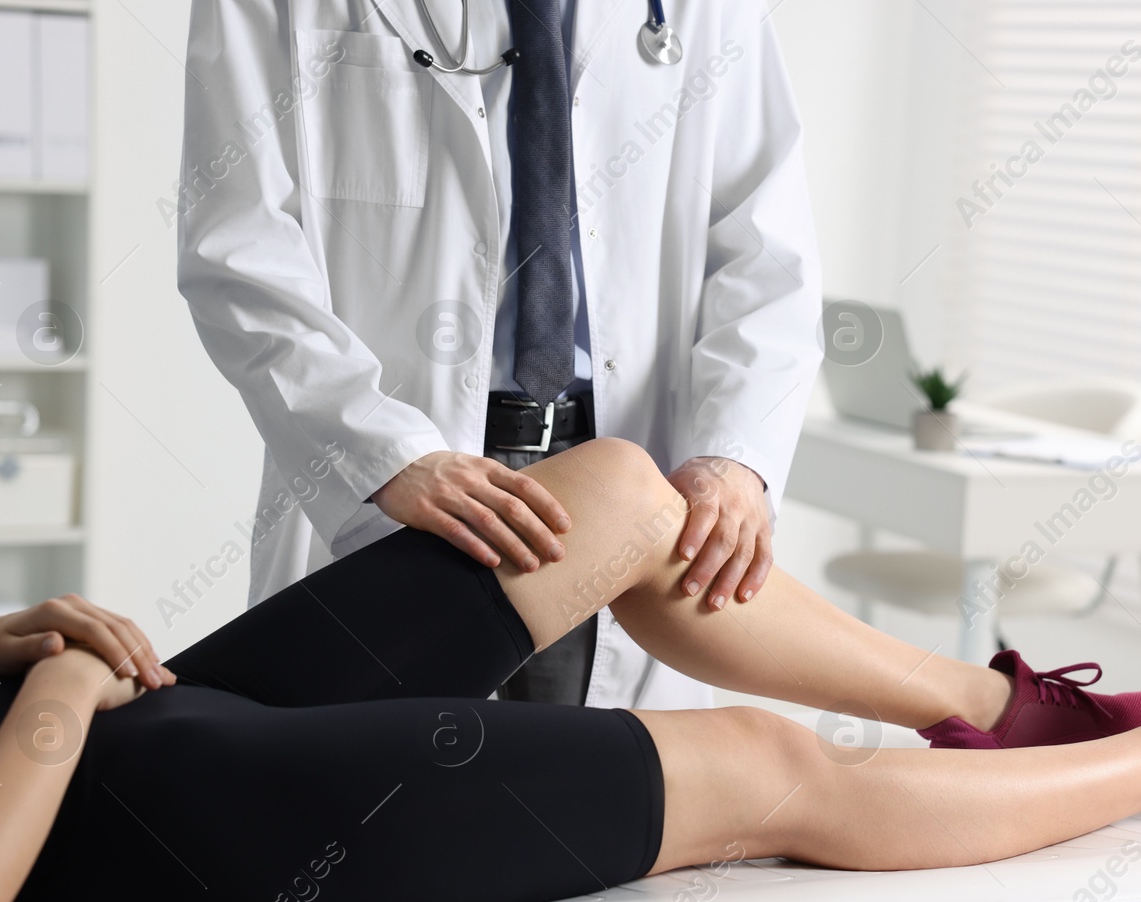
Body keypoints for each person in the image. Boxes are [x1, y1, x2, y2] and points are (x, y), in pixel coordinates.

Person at [0, 440, 1141, 902]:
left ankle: (1000, 709)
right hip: (154, 815)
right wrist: (51, 689)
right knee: (764, 767)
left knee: (617, 496)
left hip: (100, 718)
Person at [175, 0, 822, 710]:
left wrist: (736, 452)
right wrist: (381, 453)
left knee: (595, 800)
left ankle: (961, 702)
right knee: (390, 799)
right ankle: (961, 700)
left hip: (629, 476)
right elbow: (237, 246)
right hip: (410, 481)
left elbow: (767, 249)